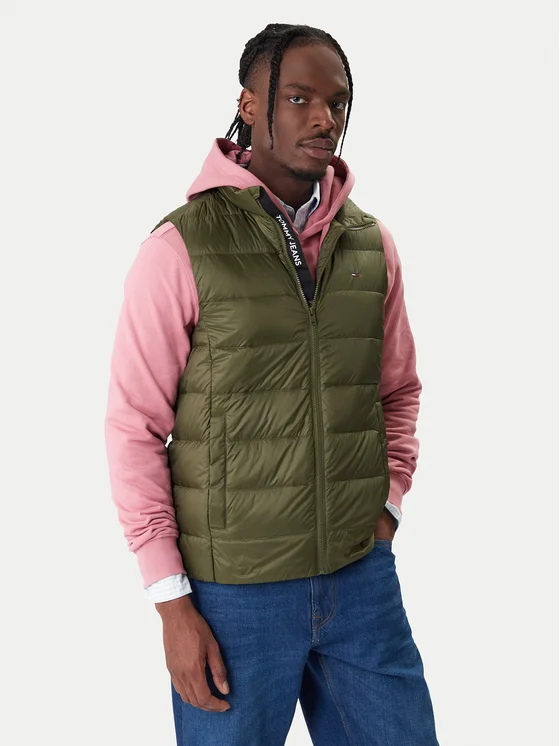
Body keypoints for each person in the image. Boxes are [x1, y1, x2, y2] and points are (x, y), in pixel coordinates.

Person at [105, 22, 440, 746]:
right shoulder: (181, 247)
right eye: (298, 98)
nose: (324, 118)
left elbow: (398, 391)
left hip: (360, 580)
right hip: (233, 596)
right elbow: (134, 428)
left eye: (337, 102)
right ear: (250, 105)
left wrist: (386, 505)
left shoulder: (370, 244)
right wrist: (170, 601)